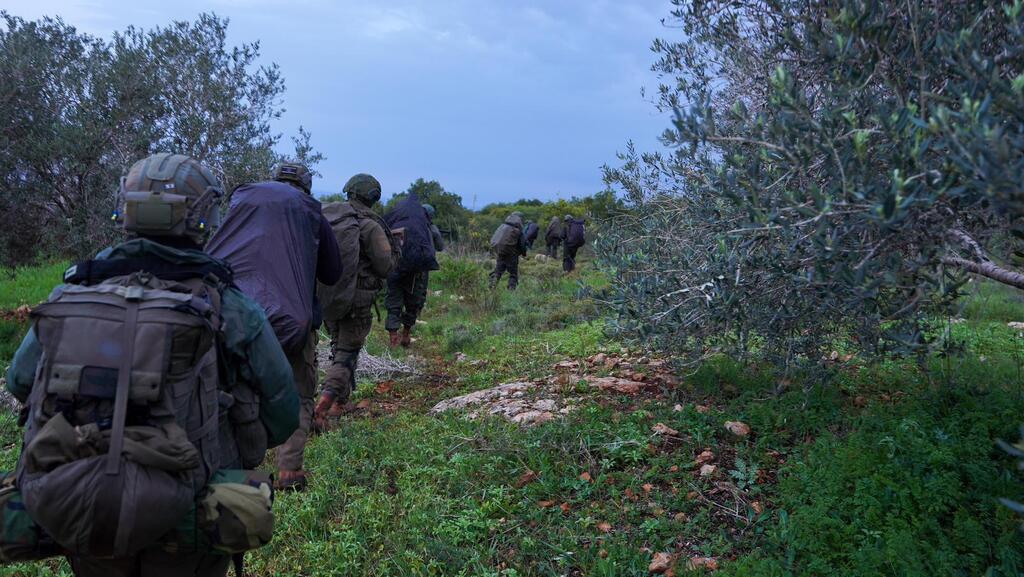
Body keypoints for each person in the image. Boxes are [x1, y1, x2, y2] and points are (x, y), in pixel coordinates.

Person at [4, 153, 300, 577]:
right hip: (190, 513)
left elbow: (20, 381)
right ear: (203, 219)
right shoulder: (229, 306)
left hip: (83, 503)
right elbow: (283, 413)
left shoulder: (72, 294)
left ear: (126, 211)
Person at [206, 162, 341, 491]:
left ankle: (231, 469)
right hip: (291, 321)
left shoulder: (243, 203)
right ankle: (288, 472)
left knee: (230, 388)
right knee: (299, 392)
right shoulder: (310, 211)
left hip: (234, 315)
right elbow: (332, 272)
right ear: (306, 186)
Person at [313, 174, 396, 425]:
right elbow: (384, 266)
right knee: (347, 352)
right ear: (373, 197)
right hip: (357, 299)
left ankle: (340, 400)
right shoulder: (370, 226)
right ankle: (326, 405)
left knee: (337, 344)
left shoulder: (329, 217)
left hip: (327, 294)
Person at [385, 203, 445, 347]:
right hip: (417, 273)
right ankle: (406, 334)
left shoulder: (399, 223)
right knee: (414, 303)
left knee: (393, 302)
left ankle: (393, 337)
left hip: (395, 269)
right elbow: (440, 246)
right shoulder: (429, 228)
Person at [489, 212, 528, 290]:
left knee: (498, 270)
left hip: (501, 251)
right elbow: (522, 244)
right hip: (512, 254)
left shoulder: (503, 226)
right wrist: (524, 253)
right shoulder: (518, 229)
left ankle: (492, 286)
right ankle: (511, 290)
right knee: (513, 273)